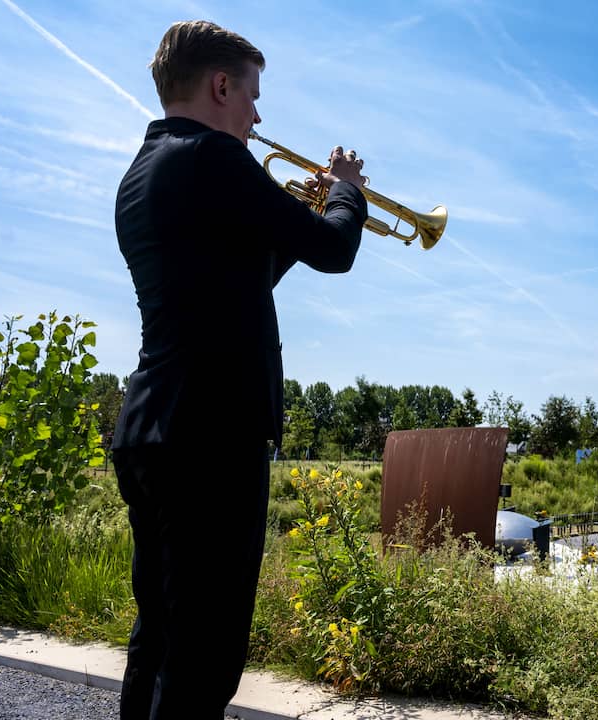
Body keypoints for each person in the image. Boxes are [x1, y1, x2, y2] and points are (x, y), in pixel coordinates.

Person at [110, 21, 367, 720]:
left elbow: (242, 281)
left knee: (159, 639)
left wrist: (290, 209)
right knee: (205, 659)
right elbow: (336, 250)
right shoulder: (216, 160)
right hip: (211, 435)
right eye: (253, 95)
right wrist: (344, 192)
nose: (258, 116)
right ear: (221, 86)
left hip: (153, 427)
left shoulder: (145, 171)